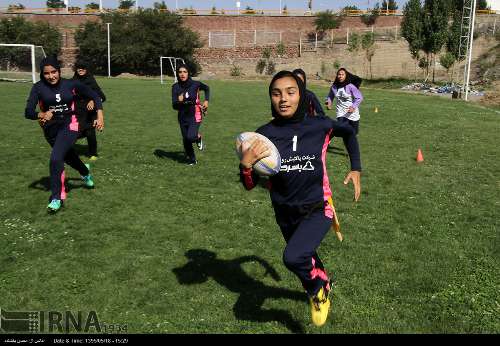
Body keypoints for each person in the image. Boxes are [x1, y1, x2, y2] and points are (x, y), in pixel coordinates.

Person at [238, 70, 361, 327]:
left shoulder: (319, 126)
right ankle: (317, 288)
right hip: (284, 211)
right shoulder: (263, 135)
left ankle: (320, 286)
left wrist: (356, 168)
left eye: (290, 92)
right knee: (306, 255)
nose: (283, 99)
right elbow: (250, 186)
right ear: (270, 98)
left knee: (293, 257)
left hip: (318, 207)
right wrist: (246, 166)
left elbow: (349, 132)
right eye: (276, 93)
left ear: (301, 95)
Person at [24, 56, 104, 213]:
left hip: (70, 125)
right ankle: (85, 172)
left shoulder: (71, 84)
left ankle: (56, 198)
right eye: (47, 73)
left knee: (55, 158)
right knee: (68, 157)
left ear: (59, 71)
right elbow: (28, 112)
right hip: (50, 129)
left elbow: (95, 95)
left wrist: (100, 115)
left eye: (54, 72)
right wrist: (41, 115)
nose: (51, 76)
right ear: (42, 74)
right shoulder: (38, 87)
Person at [171, 64, 210, 165]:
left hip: (195, 114)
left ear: (188, 73)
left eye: (185, 72)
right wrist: (180, 102)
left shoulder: (195, 84)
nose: (182, 74)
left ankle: (198, 137)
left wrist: (206, 101)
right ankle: (193, 160)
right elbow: (174, 106)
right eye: (180, 72)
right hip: (182, 117)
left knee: (191, 137)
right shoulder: (175, 87)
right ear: (177, 74)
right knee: (186, 140)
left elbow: (207, 88)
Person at [72, 60, 106, 161]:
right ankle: (68, 153)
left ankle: (93, 153)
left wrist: (93, 101)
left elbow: (102, 97)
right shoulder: (73, 81)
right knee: (73, 133)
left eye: (83, 68)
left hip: (89, 113)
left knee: (90, 133)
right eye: (78, 68)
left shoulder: (91, 81)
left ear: (86, 69)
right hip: (76, 112)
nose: (80, 69)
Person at [325, 68, 363, 135]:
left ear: (346, 76)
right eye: (339, 74)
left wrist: (353, 107)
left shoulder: (350, 86)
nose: (340, 76)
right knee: (340, 128)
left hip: (352, 113)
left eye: (342, 74)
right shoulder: (334, 87)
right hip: (341, 112)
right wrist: (329, 102)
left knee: (354, 133)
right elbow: (331, 95)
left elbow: (359, 98)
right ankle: (327, 138)